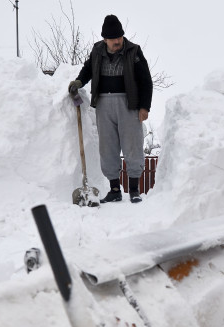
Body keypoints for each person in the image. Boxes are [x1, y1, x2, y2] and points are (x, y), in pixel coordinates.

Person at [68, 15, 153, 203]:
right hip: (104, 104)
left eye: (120, 37)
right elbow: (88, 69)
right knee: (108, 147)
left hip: (129, 104)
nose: (118, 41)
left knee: (132, 145)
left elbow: (146, 81)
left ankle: (133, 190)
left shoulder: (134, 51)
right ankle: (114, 190)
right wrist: (79, 81)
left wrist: (144, 106)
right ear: (105, 39)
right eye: (114, 39)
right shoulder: (97, 50)